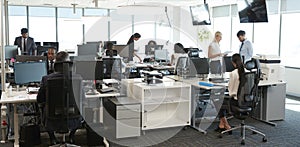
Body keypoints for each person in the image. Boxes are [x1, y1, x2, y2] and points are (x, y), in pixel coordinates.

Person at [37, 51, 83, 145]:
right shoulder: (78, 78)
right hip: (73, 117)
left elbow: (40, 100)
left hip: (52, 118)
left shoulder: (46, 79)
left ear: (55, 65)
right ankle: (71, 137)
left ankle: (52, 138)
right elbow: (83, 99)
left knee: (43, 107)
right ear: (70, 64)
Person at [216, 53, 245, 133]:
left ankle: (226, 123)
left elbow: (230, 91)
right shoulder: (248, 72)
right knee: (221, 99)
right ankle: (222, 125)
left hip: (235, 101)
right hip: (246, 101)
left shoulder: (233, 73)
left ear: (233, 63)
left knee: (217, 100)